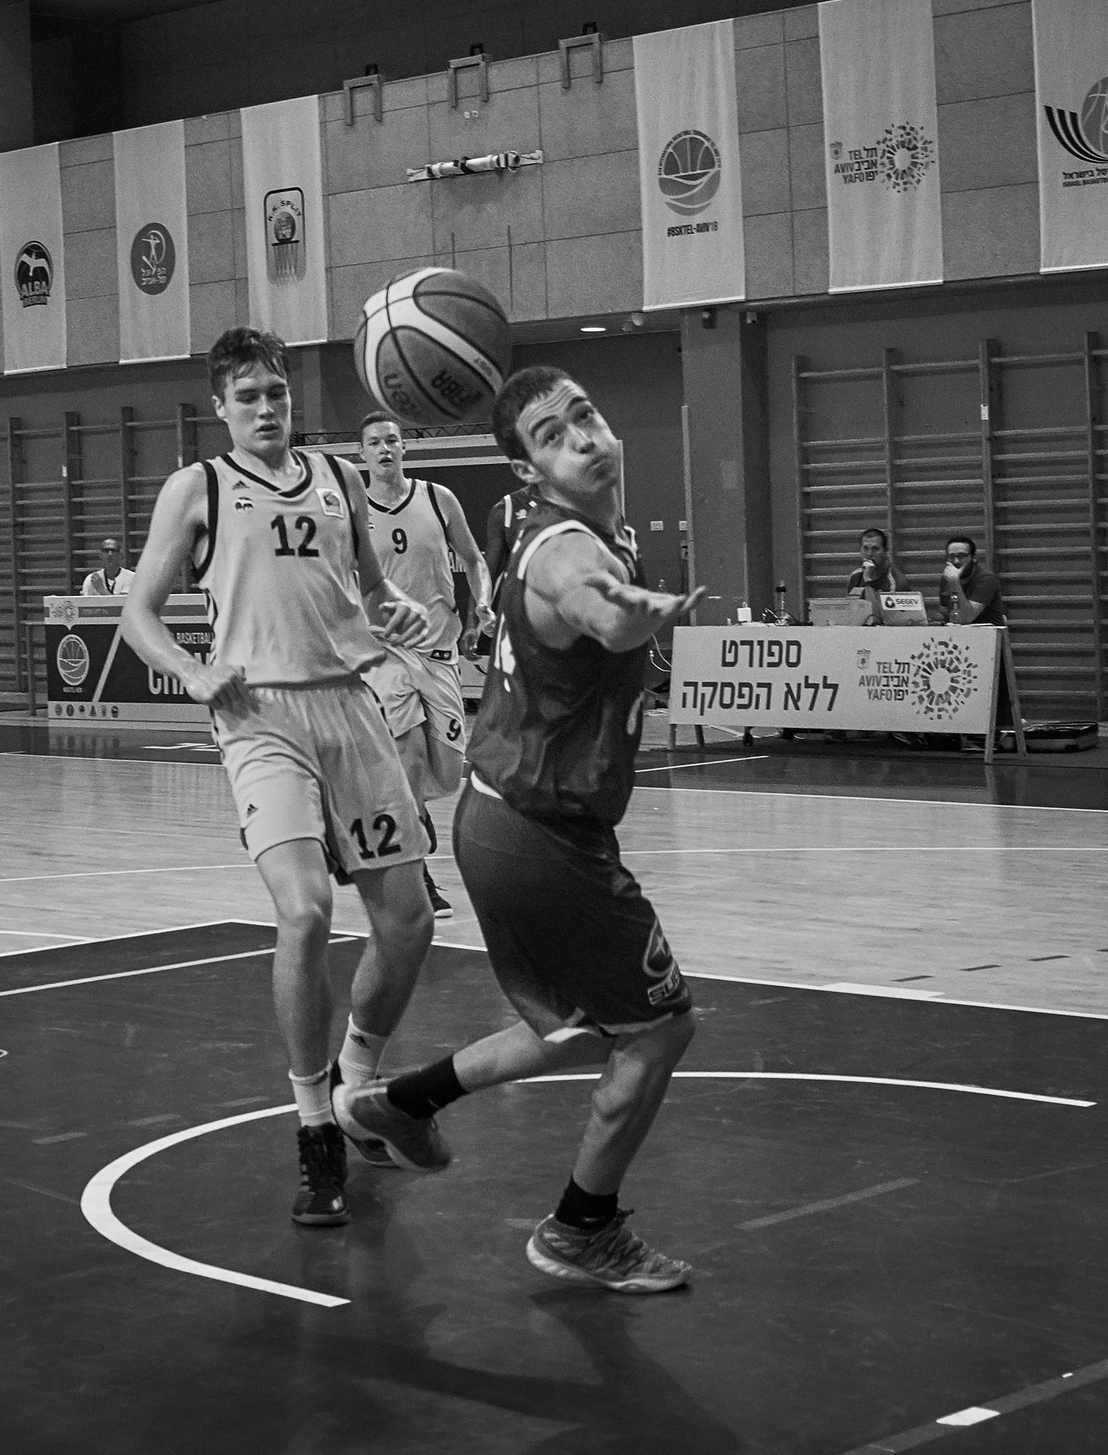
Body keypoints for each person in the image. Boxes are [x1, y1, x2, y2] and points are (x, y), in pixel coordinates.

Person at [339, 366, 708, 1294]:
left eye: (586, 414)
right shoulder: (568, 552)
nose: (583, 436)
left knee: (589, 1023)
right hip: (543, 841)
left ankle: (403, 1101)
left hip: (506, 822)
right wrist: (627, 615)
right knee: (660, 1030)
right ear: (532, 471)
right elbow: (588, 602)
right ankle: (583, 1228)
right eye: (553, 433)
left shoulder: (542, 523)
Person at [119, 328, 438, 1230]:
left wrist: (403, 616)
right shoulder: (199, 488)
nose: (267, 408)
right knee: (303, 910)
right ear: (220, 406)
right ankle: (313, 1132)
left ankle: (357, 1081)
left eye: (278, 395)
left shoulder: (336, 480)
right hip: (260, 716)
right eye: (249, 396)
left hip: (351, 704)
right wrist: (189, 671)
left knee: (409, 921)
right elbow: (137, 612)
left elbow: (371, 593)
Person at [357, 410, 493, 922]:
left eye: (392, 440)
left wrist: (481, 603)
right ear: (363, 453)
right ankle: (419, 873)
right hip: (385, 654)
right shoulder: (353, 512)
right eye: (375, 442)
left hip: (440, 653)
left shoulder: (439, 499)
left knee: (448, 770)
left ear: (404, 448)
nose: (385, 449)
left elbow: (474, 560)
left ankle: (410, 812)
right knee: (408, 756)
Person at [937, 535, 1004, 624]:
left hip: (986, 634)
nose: (956, 561)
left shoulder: (987, 579)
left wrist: (954, 582)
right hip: (958, 635)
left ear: (974, 558)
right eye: (952, 556)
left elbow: (966, 618)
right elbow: (945, 613)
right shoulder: (946, 579)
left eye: (961, 556)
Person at [848, 527, 899, 625]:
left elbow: (878, 619)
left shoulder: (895, 581)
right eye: (865, 548)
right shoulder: (855, 577)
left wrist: (869, 582)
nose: (869, 554)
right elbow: (850, 614)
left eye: (875, 549)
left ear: (886, 551)